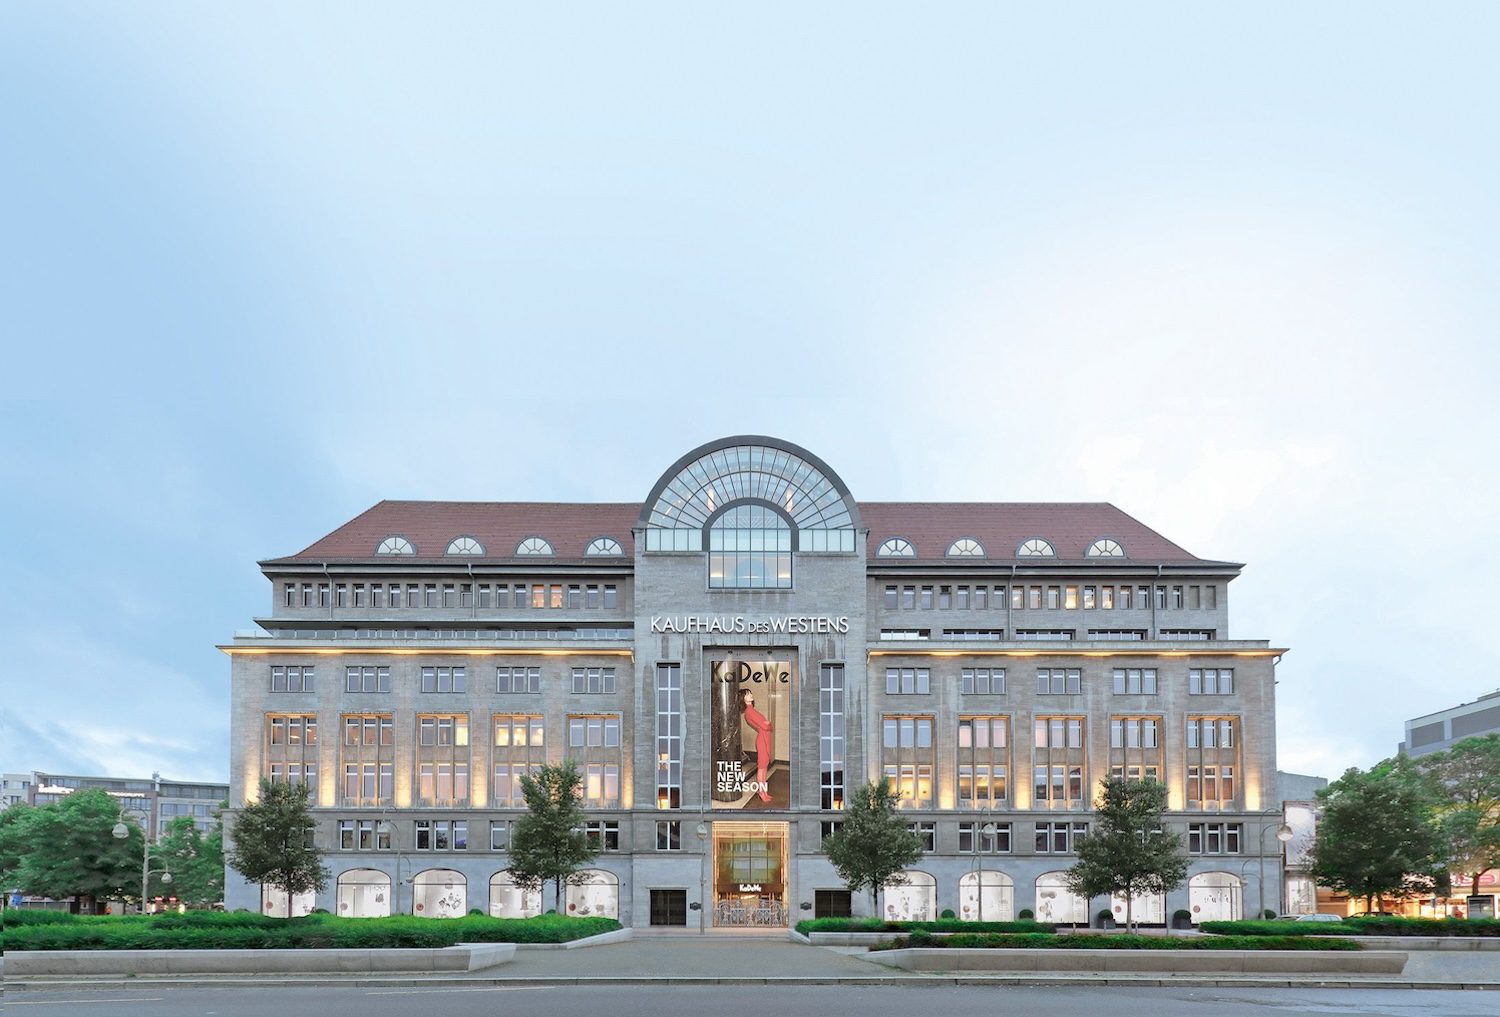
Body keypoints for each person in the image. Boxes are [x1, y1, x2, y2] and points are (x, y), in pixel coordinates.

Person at [741, 689, 773, 803]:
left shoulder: (753, 710)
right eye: (747, 694)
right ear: (743, 699)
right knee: (762, 768)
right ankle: (761, 792)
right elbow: (765, 725)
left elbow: (769, 726)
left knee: (764, 767)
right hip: (762, 740)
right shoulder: (749, 712)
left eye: (751, 693)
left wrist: (767, 724)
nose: (751, 694)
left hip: (765, 738)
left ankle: (764, 791)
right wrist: (767, 724)